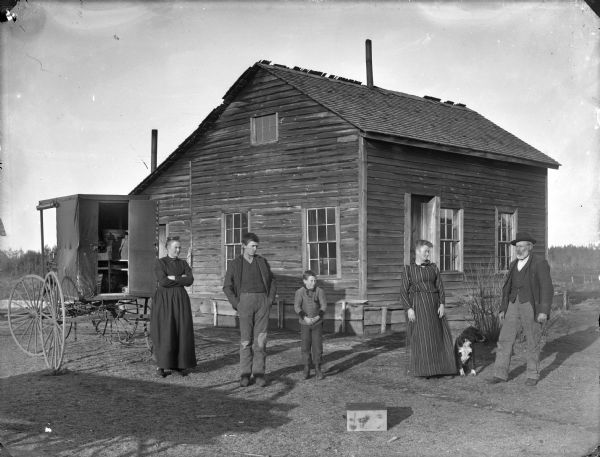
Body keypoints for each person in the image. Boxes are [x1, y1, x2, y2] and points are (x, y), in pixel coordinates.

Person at [488, 232, 554, 386]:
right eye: (517, 246)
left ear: (529, 247)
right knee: (505, 339)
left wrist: (543, 310)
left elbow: (546, 288)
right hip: (512, 304)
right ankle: (500, 373)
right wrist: (503, 308)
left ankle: (532, 375)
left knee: (533, 339)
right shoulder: (513, 264)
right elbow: (507, 288)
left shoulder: (539, 263)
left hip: (530, 304)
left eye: (522, 246)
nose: (519, 249)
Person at [223, 232, 276, 387]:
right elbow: (227, 286)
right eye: (252, 246)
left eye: (256, 246)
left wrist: (269, 300)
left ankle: (259, 374)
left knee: (261, 340)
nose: (254, 249)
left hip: (262, 303)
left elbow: (272, 281)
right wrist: (237, 304)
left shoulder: (262, 261)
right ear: (243, 246)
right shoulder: (235, 264)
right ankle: (245, 374)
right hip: (244, 302)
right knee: (246, 341)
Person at [399, 239, 456, 378]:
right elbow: (403, 291)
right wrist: (409, 309)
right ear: (418, 252)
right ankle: (425, 370)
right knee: (422, 338)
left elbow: (440, 287)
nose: (428, 255)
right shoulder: (409, 269)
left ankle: (440, 368)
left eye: (429, 252)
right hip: (418, 308)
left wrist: (442, 304)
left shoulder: (433, 268)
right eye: (425, 251)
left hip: (434, 307)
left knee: (437, 336)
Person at [151, 237, 197, 377]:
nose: (178, 250)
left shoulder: (183, 263)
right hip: (164, 301)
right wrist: (179, 279)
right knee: (166, 330)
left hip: (181, 300)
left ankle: (180, 364)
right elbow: (163, 281)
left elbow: (190, 280)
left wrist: (174, 278)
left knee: (181, 329)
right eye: (175, 247)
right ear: (168, 248)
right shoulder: (160, 263)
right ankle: (161, 366)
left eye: (179, 248)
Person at [294, 270, 327, 380]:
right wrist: (305, 318)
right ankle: (306, 368)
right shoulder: (299, 292)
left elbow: (323, 306)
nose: (313, 283)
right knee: (305, 347)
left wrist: (317, 317)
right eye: (311, 280)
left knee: (317, 347)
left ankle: (318, 368)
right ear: (305, 281)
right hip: (305, 324)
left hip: (317, 324)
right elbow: (297, 307)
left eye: (315, 280)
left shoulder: (320, 291)